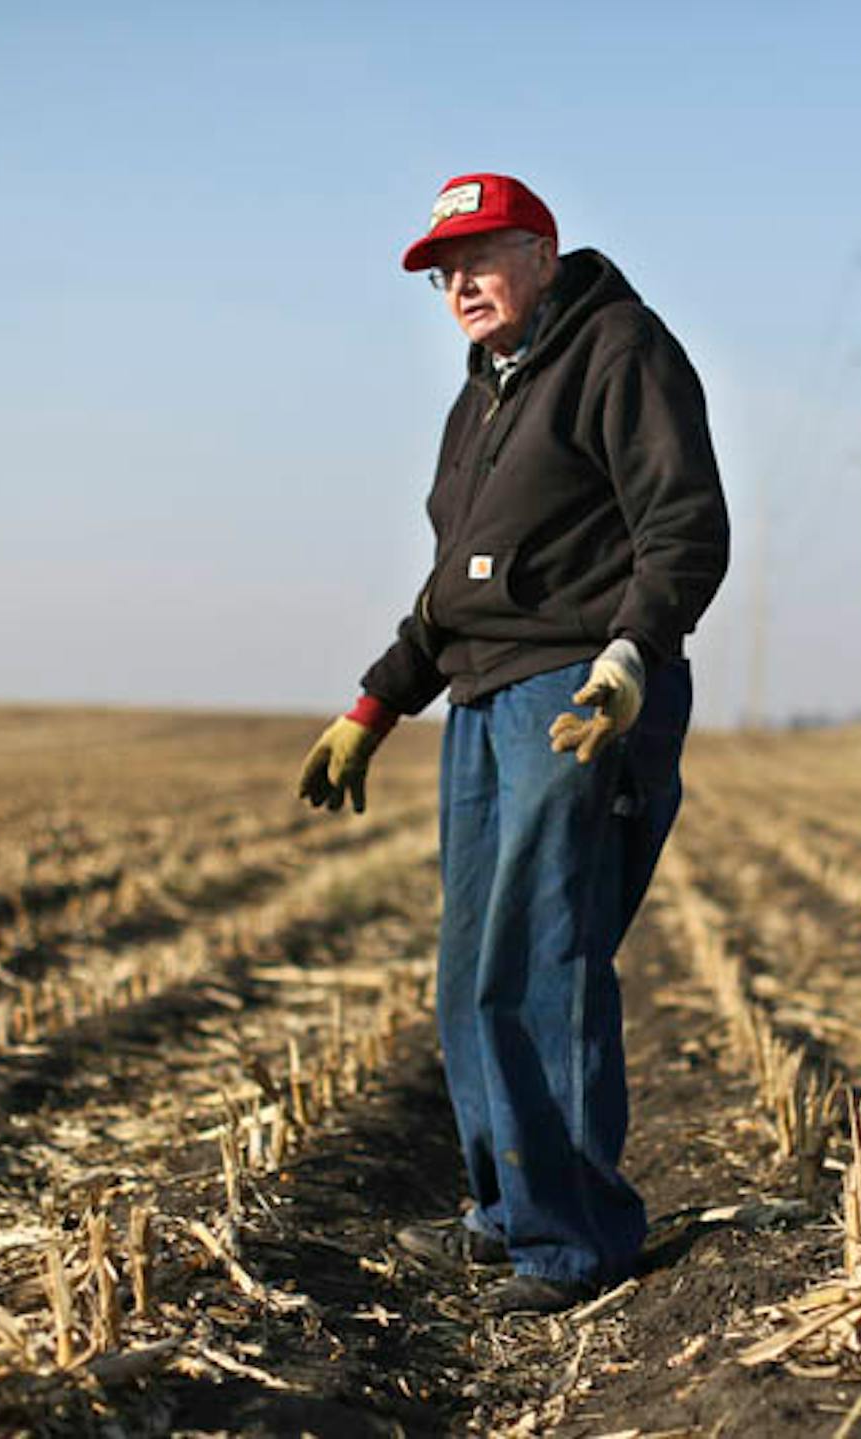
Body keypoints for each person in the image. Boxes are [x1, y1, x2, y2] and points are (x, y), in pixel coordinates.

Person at [296, 173, 729, 1315]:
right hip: (483, 703)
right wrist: (376, 704)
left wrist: (633, 654)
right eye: (444, 271)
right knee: (469, 974)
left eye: (480, 256)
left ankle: (573, 1238)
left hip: (578, 696)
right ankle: (508, 1209)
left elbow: (683, 524)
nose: (459, 285)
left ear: (542, 252)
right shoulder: (483, 396)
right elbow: (457, 588)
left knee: (545, 958)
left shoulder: (617, 348)